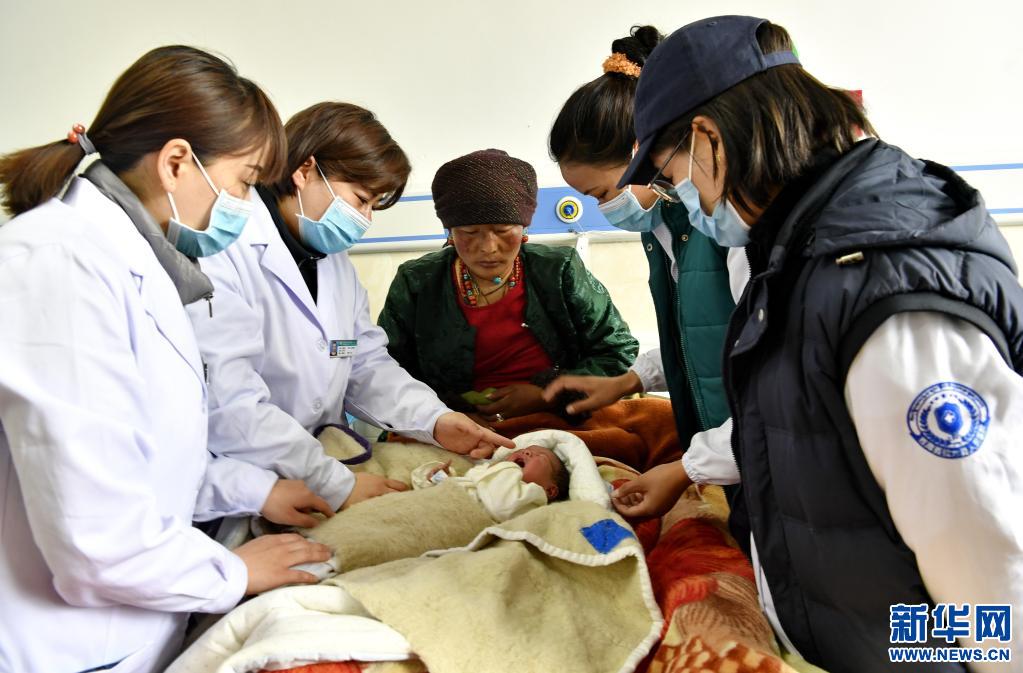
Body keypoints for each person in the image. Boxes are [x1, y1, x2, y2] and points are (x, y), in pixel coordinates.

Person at [605, 15, 1023, 671]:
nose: (681, 195)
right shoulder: (799, 254)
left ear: (708, 138)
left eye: (669, 174)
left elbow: (989, 573)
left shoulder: (883, 292)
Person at [0, 46, 332, 673]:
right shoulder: (59, 266)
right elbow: (95, 535)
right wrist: (234, 571)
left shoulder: (137, 265)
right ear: (177, 162)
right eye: (244, 182)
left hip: (128, 622)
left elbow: (149, 462)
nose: (245, 205)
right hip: (60, 643)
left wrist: (257, 489)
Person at [187, 102, 513, 516]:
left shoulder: (332, 263)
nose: (365, 219)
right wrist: (331, 481)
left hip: (324, 462)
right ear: (305, 170)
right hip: (242, 481)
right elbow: (232, 402)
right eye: (360, 200)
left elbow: (361, 361)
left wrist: (435, 420)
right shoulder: (223, 251)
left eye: (373, 205)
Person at [547, 26, 745, 465]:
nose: (605, 208)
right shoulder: (662, 224)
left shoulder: (723, 223)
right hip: (721, 448)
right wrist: (629, 381)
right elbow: (696, 337)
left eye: (601, 193)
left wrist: (688, 470)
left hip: (745, 446)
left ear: (641, 152)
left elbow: (760, 362)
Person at [378, 149, 638, 424]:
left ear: (524, 229)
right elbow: (386, 372)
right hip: (451, 425)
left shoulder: (559, 270)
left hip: (563, 417)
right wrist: (443, 416)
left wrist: (548, 394)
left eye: (503, 230)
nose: (488, 247)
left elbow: (618, 352)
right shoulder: (417, 282)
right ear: (450, 233)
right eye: (469, 233)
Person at [413, 444, 570, 521]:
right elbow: (462, 489)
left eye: (540, 456)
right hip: (437, 507)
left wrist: (508, 467)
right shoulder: (484, 472)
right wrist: (439, 478)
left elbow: (501, 507)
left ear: (550, 490)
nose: (526, 451)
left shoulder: (533, 498)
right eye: (523, 450)